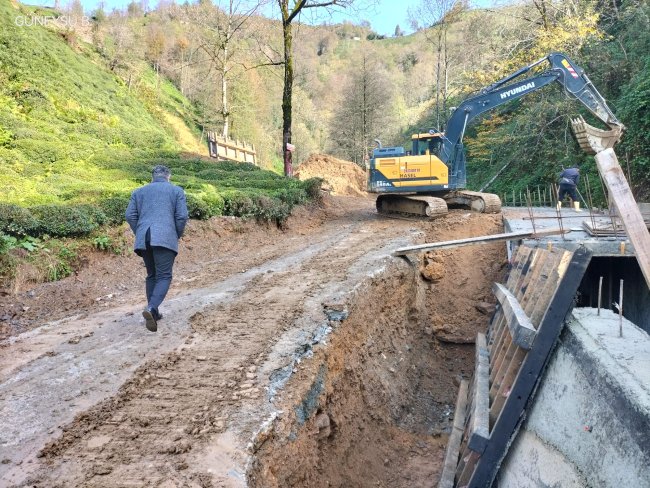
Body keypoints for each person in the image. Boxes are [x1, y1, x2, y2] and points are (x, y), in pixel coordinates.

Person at [126, 165, 189, 332]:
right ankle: (152, 308)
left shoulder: (138, 192)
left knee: (152, 275)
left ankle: (154, 311)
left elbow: (130, 215)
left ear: (152, 177)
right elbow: (182, 216)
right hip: (165, 237)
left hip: (144, 238)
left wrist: (139, 232)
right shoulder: (176, 191)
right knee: (164, 275)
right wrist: (175, 234)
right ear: (169, 176)